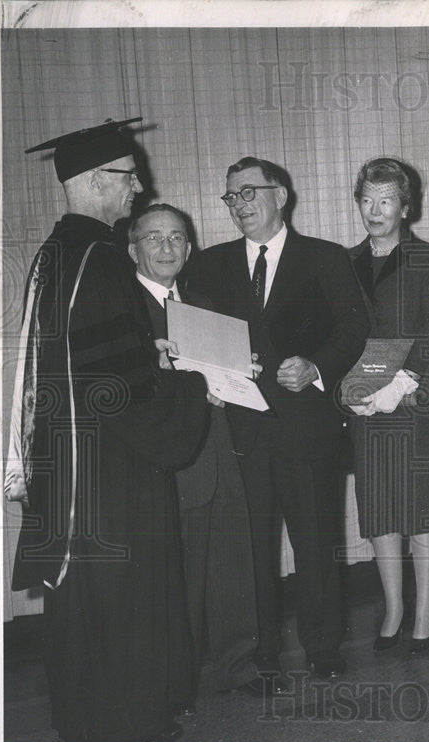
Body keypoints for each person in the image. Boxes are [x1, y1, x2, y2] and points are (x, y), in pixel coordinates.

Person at [5, 120, 211, 742]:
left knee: (98, 607)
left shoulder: (62, 252)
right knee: (119, 605)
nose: (139, 186)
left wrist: (147, 363)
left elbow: (89, 366)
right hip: (111, 469)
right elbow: (117, 386)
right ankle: (112, 741)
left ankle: (114, 727)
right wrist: (190, 386)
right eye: (127, 175)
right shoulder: (98, 260)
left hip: (78, 461)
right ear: (96, 183)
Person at [186, 157, 369, 681]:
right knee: (251, 548)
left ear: (280, 195)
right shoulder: (209, 265)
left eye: (248, 192)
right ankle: (258, 649)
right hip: (240, 430)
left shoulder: (325, 258)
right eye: (231, 197)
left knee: (315, 539)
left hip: (306, 425)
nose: (239, 205)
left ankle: (322, 646)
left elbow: (354, 327)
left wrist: (316, 367)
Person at [128, 203, 263, 698]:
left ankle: (238, 665)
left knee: (231, 559)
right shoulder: (125, 310)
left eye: (178, 238)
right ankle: (175, 683)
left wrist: (241, 367)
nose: (167, 247)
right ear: (133, 249)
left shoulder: (204, 303)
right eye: (154, 238)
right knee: (177, 573)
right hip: (166, 459)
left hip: (219, 445)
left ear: (190, 247)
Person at [346, 158, 429, 653]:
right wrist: (351, 390)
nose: (376, 210)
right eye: (367, 200)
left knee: (422, 510)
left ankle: (427, 606)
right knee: (381, 510)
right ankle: (393, 606)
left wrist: (404, 383)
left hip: (415, 404)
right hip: (367, 408)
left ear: (405, 207)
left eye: (386, 200)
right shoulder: (345, 264)